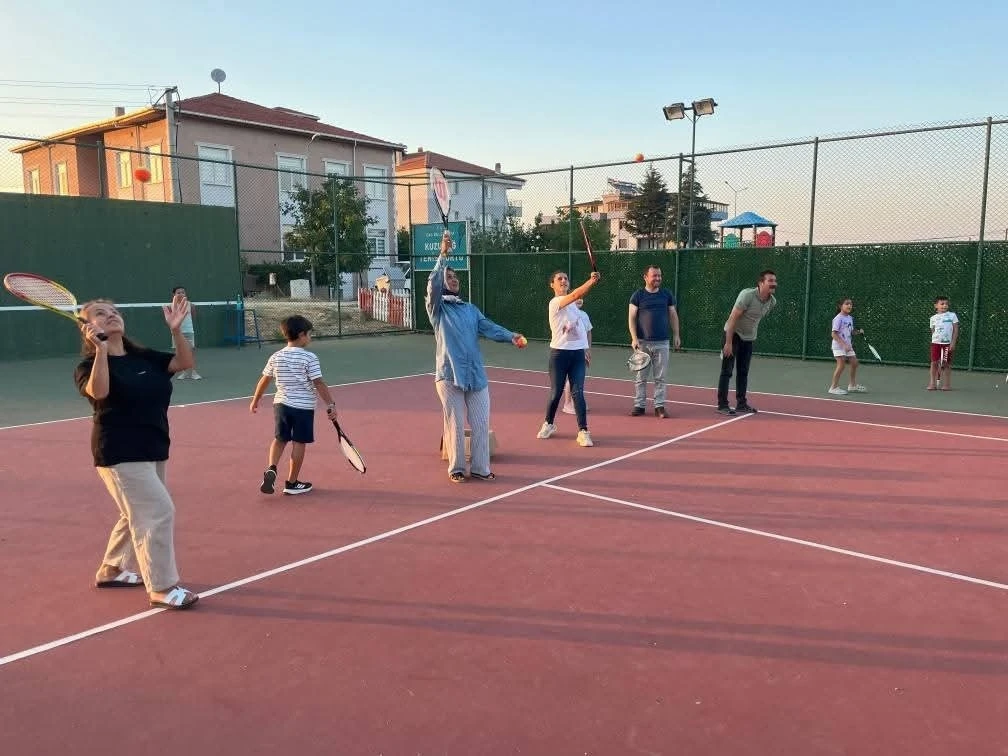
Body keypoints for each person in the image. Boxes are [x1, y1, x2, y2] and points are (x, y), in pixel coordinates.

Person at [74, 293, 200, 610]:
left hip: (153, 446)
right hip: (119, 450)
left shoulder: (143, 357)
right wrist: (101, 351)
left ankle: (112, 569)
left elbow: (185, 363)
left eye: (114, 310)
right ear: (87, 328)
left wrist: (176, 331)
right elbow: (99, 392)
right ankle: (162, 587)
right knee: (158, 512)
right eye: (100, 313)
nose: (111, 314)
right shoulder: (88, 366)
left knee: (135, 512)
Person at [426, 231, 527, 483]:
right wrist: (442, 255)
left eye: (455, 276)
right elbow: (432, 285)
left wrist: (511, 336)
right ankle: (457, 468)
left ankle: (481, 468)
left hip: (475, 375)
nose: (454, 279)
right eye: (449, 277)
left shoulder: (470, 310)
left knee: (481, 422)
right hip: (448, 375)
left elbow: (489, 328)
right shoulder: (437, 309)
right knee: (455, 424)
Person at [250, 315, 338, 495]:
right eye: (309, 334)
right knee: (299, 442)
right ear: (301, 334)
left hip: (281, 405)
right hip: (303, 407)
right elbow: (319, 383)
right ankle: (291, 483)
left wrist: (255, 400)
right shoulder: (309, 358)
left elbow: (264, 380)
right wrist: (331, 404)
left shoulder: (276, 356)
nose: (310, 338)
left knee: (280, 439)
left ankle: (272, 468)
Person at [537, 268, 601, 446]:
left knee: (578, 392)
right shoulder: (554, 303)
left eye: (566, 278)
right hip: (559, 354)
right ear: (552, 285)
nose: (564, 281)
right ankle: (548, 424)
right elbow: (575, 295)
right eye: (559, 279)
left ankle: (583, 431)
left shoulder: (573, 306)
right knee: (556, 392)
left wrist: (586, 349)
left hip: (577, 355)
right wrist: (591, 281)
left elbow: (580, 326)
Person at [717, 270, 778, 415]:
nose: (774, 284)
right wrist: (728, 342)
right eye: (770, 281)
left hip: (749, 339)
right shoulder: (747, 295)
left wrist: (750, 335)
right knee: (727, 371)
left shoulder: (772, 302)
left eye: (775, 281)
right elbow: (733, 318)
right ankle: (722, 405)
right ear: (761, 283)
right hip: (733, 335)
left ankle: (741, 404)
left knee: (743, 372)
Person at [628, 265, 681, 418]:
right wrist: (634, 338)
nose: (658, 278)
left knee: (660, 377)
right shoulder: (637, 295)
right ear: (645, 277)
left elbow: (673, 315)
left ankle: (659, 406)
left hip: (662, 342)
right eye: (654, 276)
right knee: (641, 377)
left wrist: (676, 334)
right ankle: (639, 405)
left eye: (659, 275)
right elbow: (631, 318)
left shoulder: (666, 294)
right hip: (642, 343)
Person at [828, 297, 866, 395]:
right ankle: (833, 387)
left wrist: (858, 332)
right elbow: (834, 334)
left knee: (854, 363)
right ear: (840, 306)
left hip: (848, 345)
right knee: (841, 365)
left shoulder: (850, 318)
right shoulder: (838, 318)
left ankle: (852, 386)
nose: (849, 305)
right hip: (839, 345)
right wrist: (843, 344)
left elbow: (851, 331)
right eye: (847, 304)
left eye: (851, 304)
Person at [562, 298, 592, 415]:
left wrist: (588, 349)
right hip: (570, 349)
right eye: (576, 297)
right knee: (572, 377)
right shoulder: (566, 314)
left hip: (582, 350)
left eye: (581, 298)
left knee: (579, 377)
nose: (579, 300)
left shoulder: (584, 315)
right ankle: (567, 404)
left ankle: (577, 402)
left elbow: (589, 332)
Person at [928, 295, 960, 390]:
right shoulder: (933, 318)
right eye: (942, 304)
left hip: (947, 344)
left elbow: (956, 330)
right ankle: (932, 383)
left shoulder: (952, 315)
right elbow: (933, 331)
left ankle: (946, 385)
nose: (945, 305)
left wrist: (953, 343)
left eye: (946, 304)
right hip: (935, 344)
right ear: (936, 306)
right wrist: (936, 340)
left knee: (946, 364)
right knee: (934, 363)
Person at [171, 285, 201, 380]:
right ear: (174, 295)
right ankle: (183, 373)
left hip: (189, 331)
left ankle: (194, 373)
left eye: (183, 292)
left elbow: (193, 316)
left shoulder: (190, 305)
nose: (181, 294)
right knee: (180, 353)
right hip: (177, 333)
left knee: (191, 352)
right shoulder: (172, 306)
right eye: (178, 292)